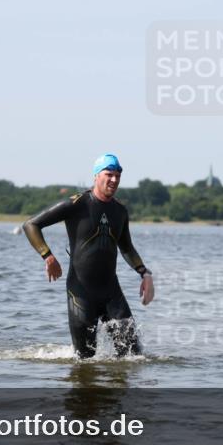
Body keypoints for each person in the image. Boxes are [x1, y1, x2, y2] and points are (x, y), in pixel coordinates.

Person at [22, 153, 155, 358]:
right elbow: (31, 225)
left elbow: (127, 247)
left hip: (112, 293)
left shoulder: (120, 211)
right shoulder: (78, 204)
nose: (114, 180)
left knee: (133, 355)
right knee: (85, 361)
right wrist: (47, 256)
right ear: (96, 176)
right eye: (109, 174)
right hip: (81, 293)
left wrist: (145, 274)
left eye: (118, 176)